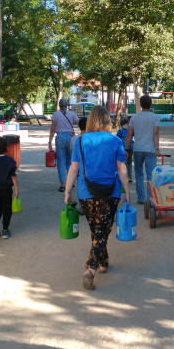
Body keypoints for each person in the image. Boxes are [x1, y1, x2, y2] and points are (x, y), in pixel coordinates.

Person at [64, 106, 130, 290]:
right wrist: (127, 191)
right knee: (102, 230)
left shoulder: (80, 140)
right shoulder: (115, 140)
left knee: (97, 229)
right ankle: (91, 268)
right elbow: (121, 168)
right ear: (107, 120)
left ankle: (103, 262)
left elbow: (74, 169)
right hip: (111, 193)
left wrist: (67, 191)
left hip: (86, 193)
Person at [125, 95, 161, 204]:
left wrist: (126, 149)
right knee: (151, 174)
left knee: (138, 174)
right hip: (150, 149)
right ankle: (150, 199)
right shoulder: (155, 117)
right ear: (150, 104)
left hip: (138, 149)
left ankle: (141, 198)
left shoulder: (134, 118)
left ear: (140, 104)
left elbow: (129, 135)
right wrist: (157, 148)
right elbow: (155, 133)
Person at [48, 98, 79, 192]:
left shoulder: (55, 114)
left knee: (61, 161)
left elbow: (53, 129)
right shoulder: (72, 114)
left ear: (59, 105)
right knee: (70, 161)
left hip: (60, 137)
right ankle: (71, 182)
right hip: (70, 137)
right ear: (67, 105)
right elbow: (79, 123)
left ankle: (62, 185)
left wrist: (50, 141)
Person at [116, 118, 134, 182]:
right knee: (129, 162)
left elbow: (117, 139)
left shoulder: (120, 131)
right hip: (130, 147)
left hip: (123, 148)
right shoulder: (131, 130)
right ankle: (130, 176)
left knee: (124, 162)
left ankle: (125, 176)